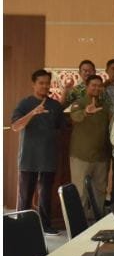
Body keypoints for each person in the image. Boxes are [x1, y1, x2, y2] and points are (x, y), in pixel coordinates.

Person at [11, 69, 65, 235]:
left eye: (47, 83)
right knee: (25, 196)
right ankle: (22, 227)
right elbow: (15, 126)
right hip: (29, 158)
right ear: (33, 84)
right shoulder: (25, 104)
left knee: (45, 195)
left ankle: (45, 225)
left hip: (48, 157)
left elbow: (61, 128)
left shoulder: (55, 106)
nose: (45, 86)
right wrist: (33, 113)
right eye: (41, 83)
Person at [69, 74, 111, 219]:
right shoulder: (79, 103)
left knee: (100, 192)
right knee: (80, 192)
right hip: (81, 155)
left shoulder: (105, 106)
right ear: (87, 86)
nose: (97, 88)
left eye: (99, 86)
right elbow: (75, 117)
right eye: (93, 85)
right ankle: (78, 225)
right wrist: (86, 112)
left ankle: (97, 223)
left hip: (101, 157)